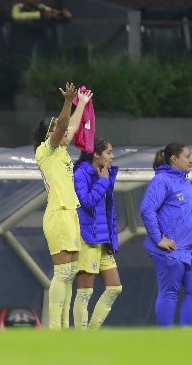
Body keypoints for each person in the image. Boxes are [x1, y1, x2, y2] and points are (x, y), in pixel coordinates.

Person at [32, 82, 93, 329]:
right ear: (50, 134)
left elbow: (71, 126)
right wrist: (68, 102)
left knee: (69, 274)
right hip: (57, 215)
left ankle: (64, 327)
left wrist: (82, 104)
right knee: (61, 273)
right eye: (60, 129)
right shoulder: (45, 151)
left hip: (70, 214)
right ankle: (55, 328)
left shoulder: (64, 153)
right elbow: (62, 128)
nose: (67, 132)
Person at [140, 143, 192, 327]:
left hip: (191, 249)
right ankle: (167, 341)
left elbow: (189, 212)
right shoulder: (161, 180)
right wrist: (158, 239)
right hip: (170, 249)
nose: (191, 160)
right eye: (187, 156)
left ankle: (184, 337)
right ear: (174, 159)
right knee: (169, 292)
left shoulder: (186, 181)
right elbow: (147, 210)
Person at [72, 137, 122, 329]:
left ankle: (90, 333)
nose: (112, 156)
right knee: (85, 292)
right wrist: (102, 182)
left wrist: (111, 238)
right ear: (96, 154)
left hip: (102, 240)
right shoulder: (80, 174)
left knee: (115, 287)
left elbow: (108, 210)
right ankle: (80, 338)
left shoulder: (104, 173)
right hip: (86, 239)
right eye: (109, 152)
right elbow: (87, 202)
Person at [11, 0, 71, 67]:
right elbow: (16, 16)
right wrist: (40, 15)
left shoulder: (41, 7)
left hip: (42, 49)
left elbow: (52, 12)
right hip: (23, 49)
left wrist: (62, 14)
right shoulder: (18, 7)